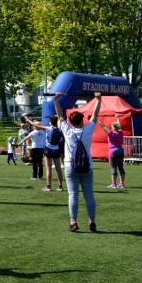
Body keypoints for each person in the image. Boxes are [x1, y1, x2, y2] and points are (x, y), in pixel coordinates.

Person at [55, 92, 102, 233]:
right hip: (87, 166)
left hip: (70, 166)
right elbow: (95, 115)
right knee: (89, 195)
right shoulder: (88, 130)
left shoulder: (67, 130)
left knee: (72, 194)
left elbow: (60, 116)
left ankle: (73, 221)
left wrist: (56, 100)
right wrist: (98, 99)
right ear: (82, 121)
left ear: (71, 122)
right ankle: (92, 221)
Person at [25, 115, 64, 191]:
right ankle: (60, 186)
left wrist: (28, 120)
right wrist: (58, 117)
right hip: (56, 149)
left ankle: (48, 186)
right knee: (58, 169)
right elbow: (60, 121)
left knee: (48, 168)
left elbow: (35, 125)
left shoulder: (49, 129)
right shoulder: (59, 129)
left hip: (49, 149)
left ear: (50, 122)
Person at [95, 116, 126, 189]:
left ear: (113, 127)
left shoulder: (111, 133)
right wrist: (118, 118)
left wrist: (96, 119)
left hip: (113, 151)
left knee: (113, 168)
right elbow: (119, 125)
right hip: (121, 150)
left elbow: (103, 126)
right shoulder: (120, 133)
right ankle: (122, 184)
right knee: (121, 167)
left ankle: (113, 184)